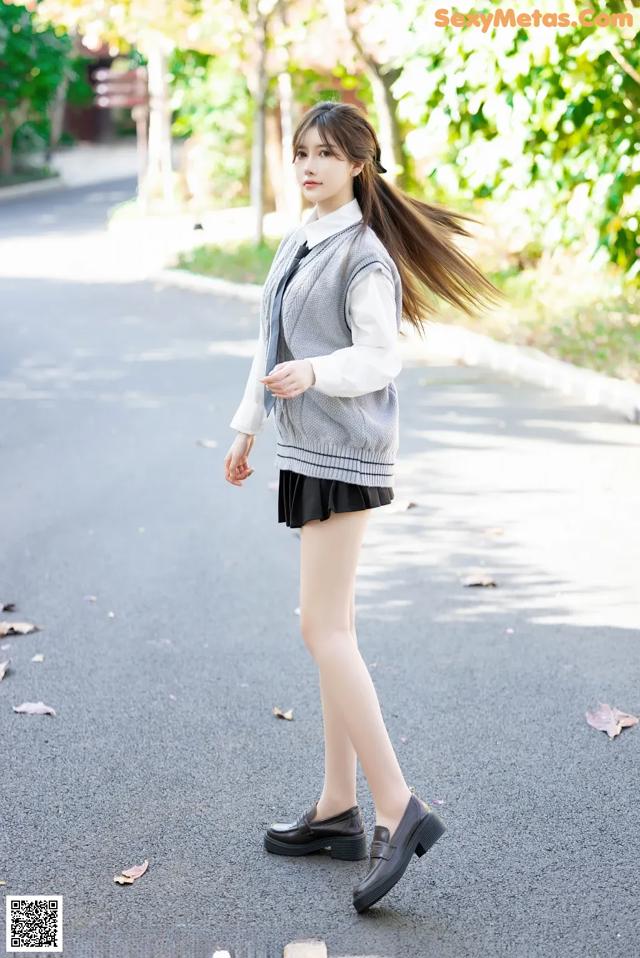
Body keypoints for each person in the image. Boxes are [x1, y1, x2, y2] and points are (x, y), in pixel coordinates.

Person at [224, 100, 502, 913]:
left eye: (326, 154)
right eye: (301, 151)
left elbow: (381, 360)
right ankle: (337, 808)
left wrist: (314, 376)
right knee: (328, 625)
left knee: (322, 627)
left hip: (345, 452)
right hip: (307, 446)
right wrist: (247, 427)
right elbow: (268, 340)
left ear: (357, 165)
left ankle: (395, 805)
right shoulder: (298, 238)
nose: (309, 165)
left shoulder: (364, 256)